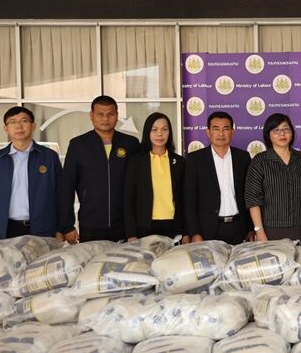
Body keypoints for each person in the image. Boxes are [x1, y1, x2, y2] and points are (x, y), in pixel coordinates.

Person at [58, 95, 140, 243]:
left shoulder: (131, 144)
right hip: (91, 224)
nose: (105, 119)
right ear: (91, 116)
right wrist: (67, 226)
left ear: (117, 116)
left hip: (125, 224)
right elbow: (67, 187)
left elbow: (140, 186)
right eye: (100, 114)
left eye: (110, 114)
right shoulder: (78, 145)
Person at [0, 107, 63, 243]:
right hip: (5, 231)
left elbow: (61, 195)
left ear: (33, 126)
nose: (18, 126)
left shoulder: (49, 157)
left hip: (43, 230)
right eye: (12, 122)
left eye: (24, 121)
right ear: (6, 129)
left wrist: (60, 229)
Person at [185, 111, 253, 245]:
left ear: (232, 132)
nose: (221, 134)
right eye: (216, 129)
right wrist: (195, 232)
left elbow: (250, 195)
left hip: (239, 227)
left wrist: (251, 228)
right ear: (208, 132)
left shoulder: (243, 157)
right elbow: (189, 200)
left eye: (225, 129)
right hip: (208, 229)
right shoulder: (195, 159)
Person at [245, 113, 301, 243]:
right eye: (276, 130)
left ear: (292, 133)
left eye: (286, 129)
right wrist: (259, 231)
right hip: (271, 229)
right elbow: (253, 199)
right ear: (268, 135)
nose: (282, 134)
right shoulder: (260, 161)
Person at [123, 112, 187, 242]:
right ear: (148, 132)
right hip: (144, 227)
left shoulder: (179, 162)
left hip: (174, 228)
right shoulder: (136, 162)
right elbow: (128, 200)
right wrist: (131, 234)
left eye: (164, 129)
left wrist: (186, 232)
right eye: (154, 129)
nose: (160, 134)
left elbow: (185, 200)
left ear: (169, 132)